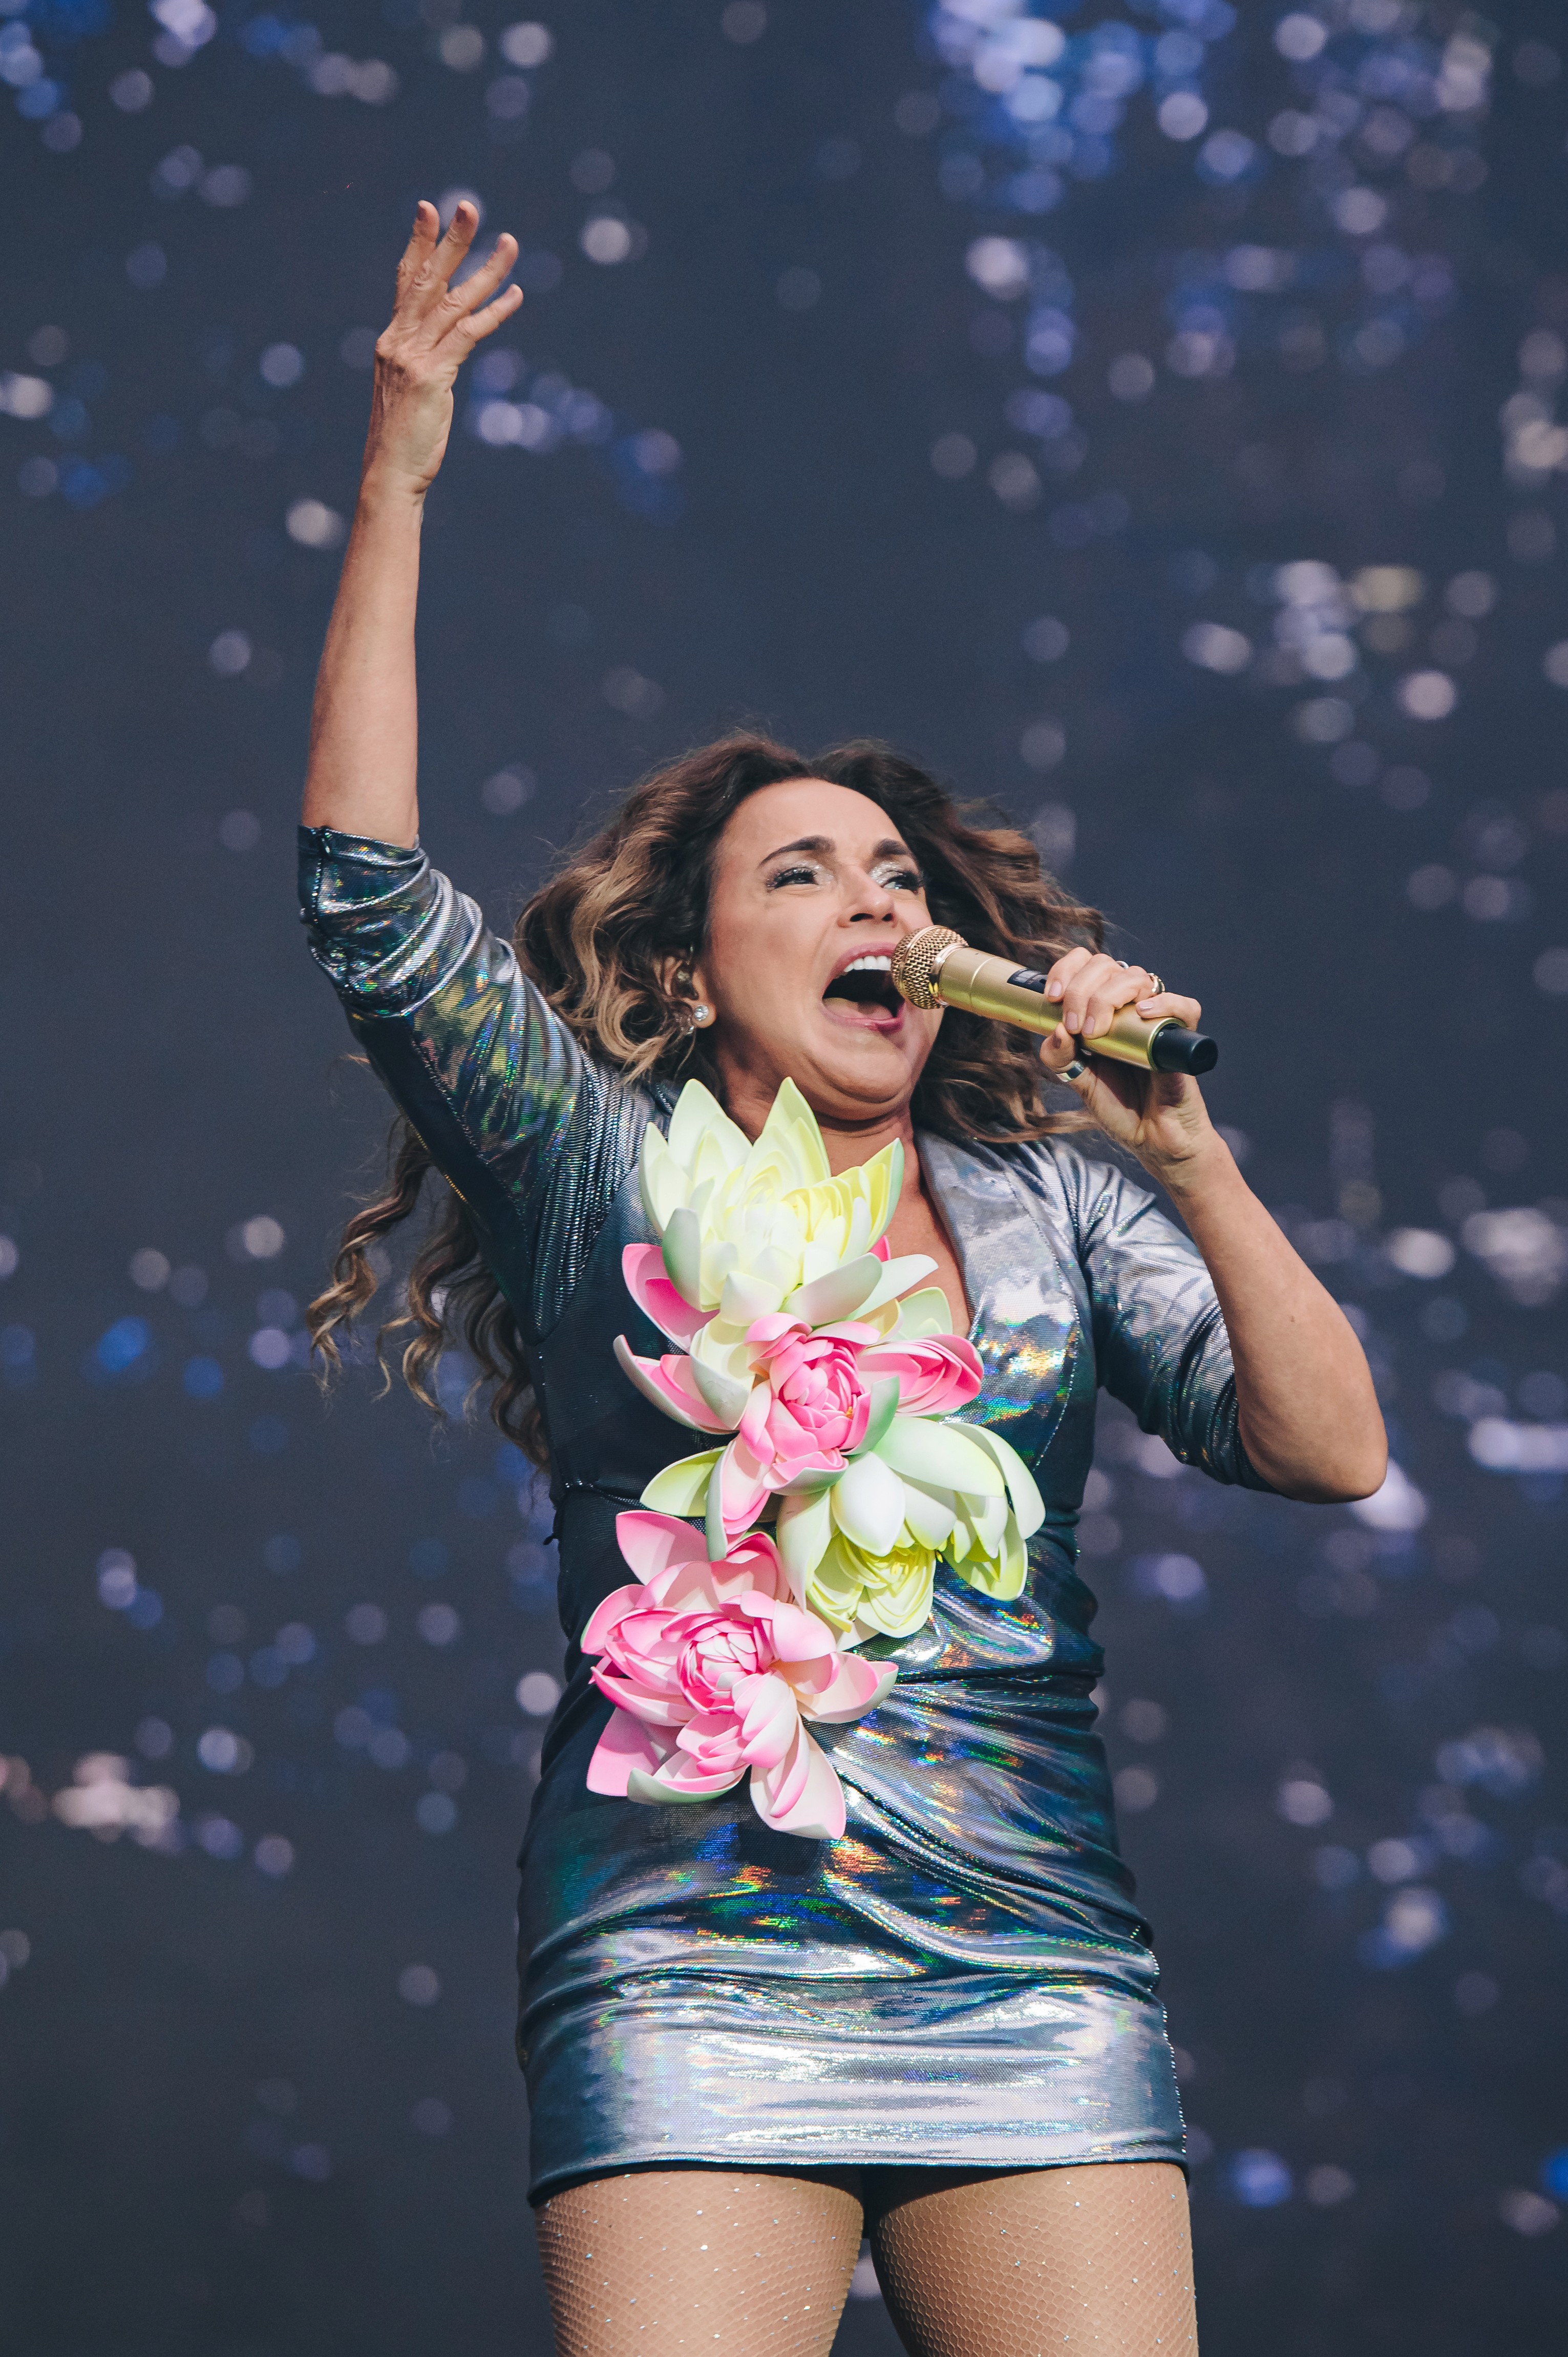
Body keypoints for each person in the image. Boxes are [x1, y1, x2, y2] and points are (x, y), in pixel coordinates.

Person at [299, 202, 1386, 2357]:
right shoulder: (599, 1165)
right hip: (687, 1960)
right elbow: (366, 895)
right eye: (800, 873)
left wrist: (1181, 1151)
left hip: (1038, 1970)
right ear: (701, 969)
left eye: (895, 873)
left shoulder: (1050, 1203)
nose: (873, 900)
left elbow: (1331, 1448)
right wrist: (398, 476)